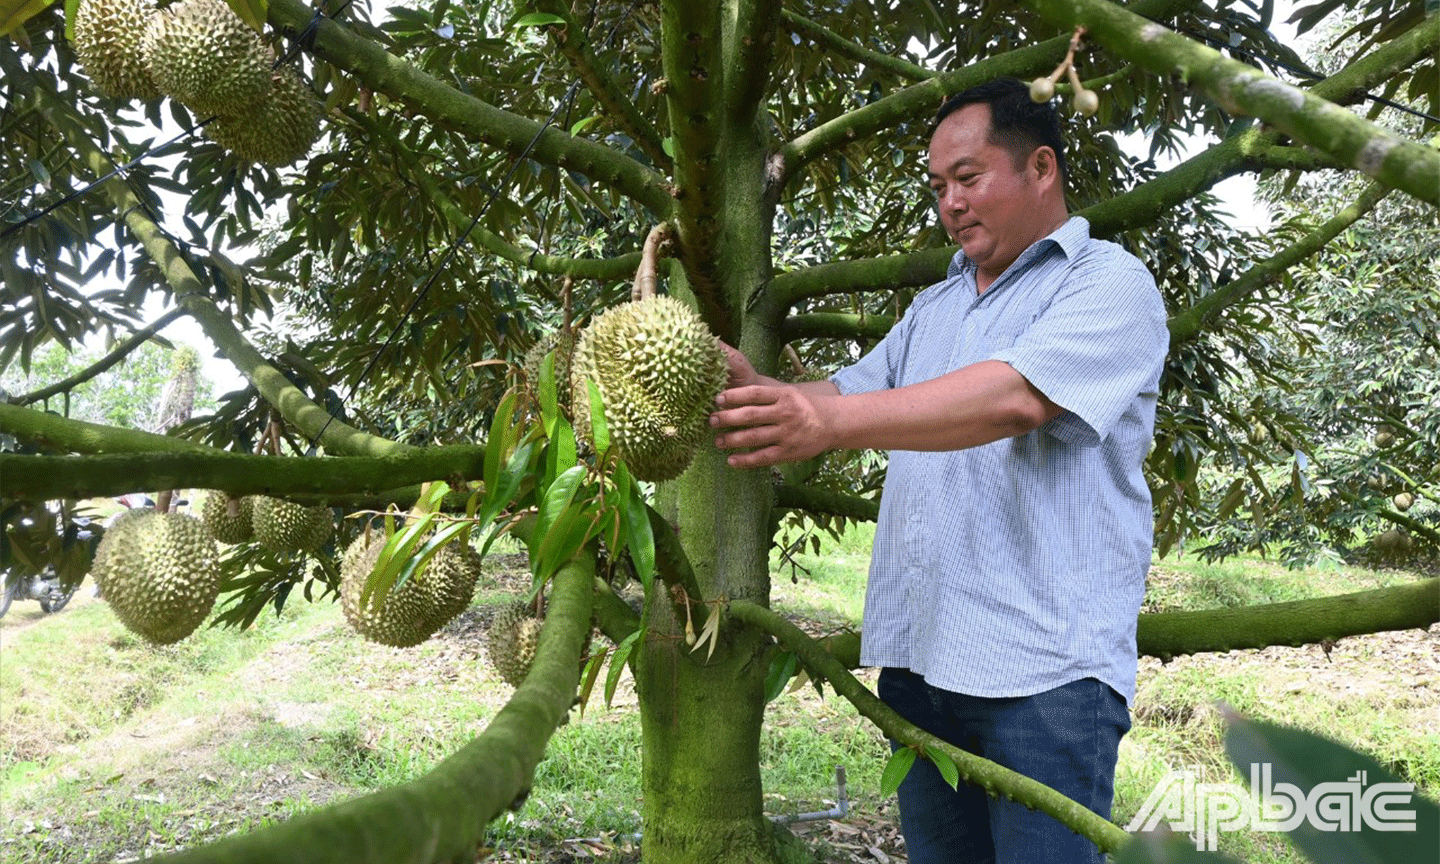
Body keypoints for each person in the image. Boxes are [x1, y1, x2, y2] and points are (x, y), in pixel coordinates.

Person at [709, 77, 1169, 863]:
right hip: (922, 671)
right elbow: (849, 393)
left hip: (1045, 680)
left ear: (1041, 169)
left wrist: (824, 421)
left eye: (968, 177)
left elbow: (1015, 399)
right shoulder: (937, 308)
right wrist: (756, 391)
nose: (950, 203)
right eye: (937, 187)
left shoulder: (1108, 284)